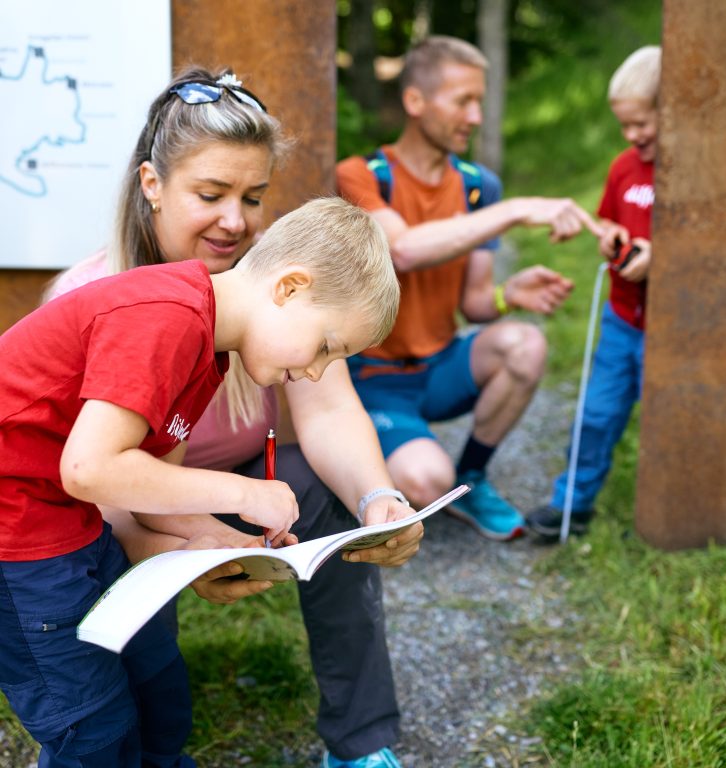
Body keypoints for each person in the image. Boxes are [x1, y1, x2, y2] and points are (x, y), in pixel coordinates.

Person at [43, 68, 420, 768]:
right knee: (105, 703)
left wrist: (379, 498)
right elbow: (87, 479)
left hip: (221, 501)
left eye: (253, 197)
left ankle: (361, 742)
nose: (235, 221)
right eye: (210, 195)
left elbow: (332, 409)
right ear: (151, 185)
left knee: (331, 487)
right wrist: (178, 552)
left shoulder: (279, 293)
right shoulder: (94, 296)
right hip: (107, 513)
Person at [336, 35, 604, 541]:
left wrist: (510, 296)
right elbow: (404, 249)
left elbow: (476, 303)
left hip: (439, 367)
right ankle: (358, 460)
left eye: (479, 101)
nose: (476, 116)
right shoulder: (361, 176)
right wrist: (518, 210)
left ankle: (473, 477)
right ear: (416, 102)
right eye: (464, 101)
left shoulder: (479, 187)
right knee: (426, 479)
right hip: (373, 379)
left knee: (526, 344)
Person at [525, 45, 660, 541]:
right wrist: (611, 236)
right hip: (622, 318)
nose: (633, 135)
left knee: (666, 421)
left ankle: (666, 515)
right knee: (596, 414)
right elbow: (609, 219)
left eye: (643, 123)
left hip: (669, 329)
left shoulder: (694, 172)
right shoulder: (625, 167)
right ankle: (571, 507)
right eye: (625, 125)